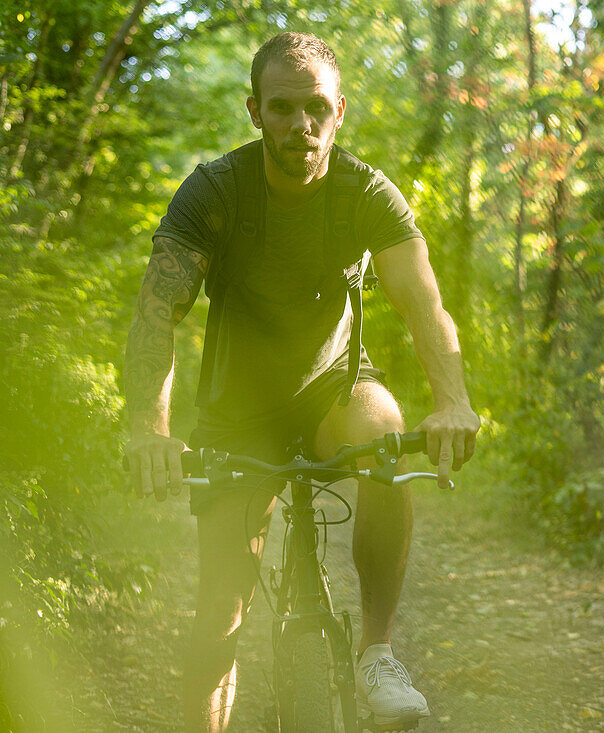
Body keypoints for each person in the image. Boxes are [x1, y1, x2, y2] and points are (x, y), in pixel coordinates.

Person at [124, 32, 480, 733]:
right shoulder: (214, 193)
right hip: (236, 412)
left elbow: (423, 303)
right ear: (254, 110)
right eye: (282, 108)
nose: (301, 125)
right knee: (219, 612)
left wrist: (453, 402)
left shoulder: (365, 192)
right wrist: (146, 427)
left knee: (383, 432)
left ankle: (376, 651)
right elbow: (156, 312)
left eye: (316, 107)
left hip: (334, 390)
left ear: (339, 110)